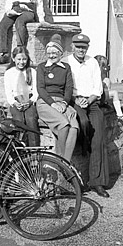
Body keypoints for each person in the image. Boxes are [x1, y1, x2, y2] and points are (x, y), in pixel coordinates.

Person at [66, 33, 110, 198]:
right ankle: (78, 178)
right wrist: (76, 100)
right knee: (82, 123)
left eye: (83, 47)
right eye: (78, 47)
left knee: (98, 137)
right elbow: (66, 86)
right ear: (72, 47)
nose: (80, 50)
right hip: (74, 101)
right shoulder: (67, 62)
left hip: (92, 102)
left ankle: (97, 182)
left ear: (87, 48)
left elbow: (97, 87)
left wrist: (90, 100)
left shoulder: (92, 62)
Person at [36, 34, 79, 162]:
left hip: (62, 102)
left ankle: (66, 163)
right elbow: (41, 89)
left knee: (74, 127)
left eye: (54, 52)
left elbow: (68, 88)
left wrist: (65, 103)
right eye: (49, 53)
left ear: (60, 53)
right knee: (64, 124)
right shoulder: (41, 67)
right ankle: (60, 160)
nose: (51, 55)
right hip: (45, 102)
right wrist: (53, 104)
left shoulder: (66, 68)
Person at [3, 46, 40, 147]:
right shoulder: (9, 73)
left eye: (24, 59)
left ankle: (34, 150)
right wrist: (15, 103)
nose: (22, 62)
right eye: (19, 59)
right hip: (16, 102)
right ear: (13, 58)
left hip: (29, 100)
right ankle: (20, 150)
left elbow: (36, 92)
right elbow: (8, 93)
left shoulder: (32, 72)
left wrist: (30, 102)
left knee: (31, 119)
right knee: (19, 121)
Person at [94, 55, 123, 125]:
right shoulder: (96, 74)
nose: (106, 68)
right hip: (97, 96)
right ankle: (119, 114)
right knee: (114, 93)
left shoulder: (102, 75)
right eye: (104, 66)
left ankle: (110, 106)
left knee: (107, 82)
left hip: (101, 95)